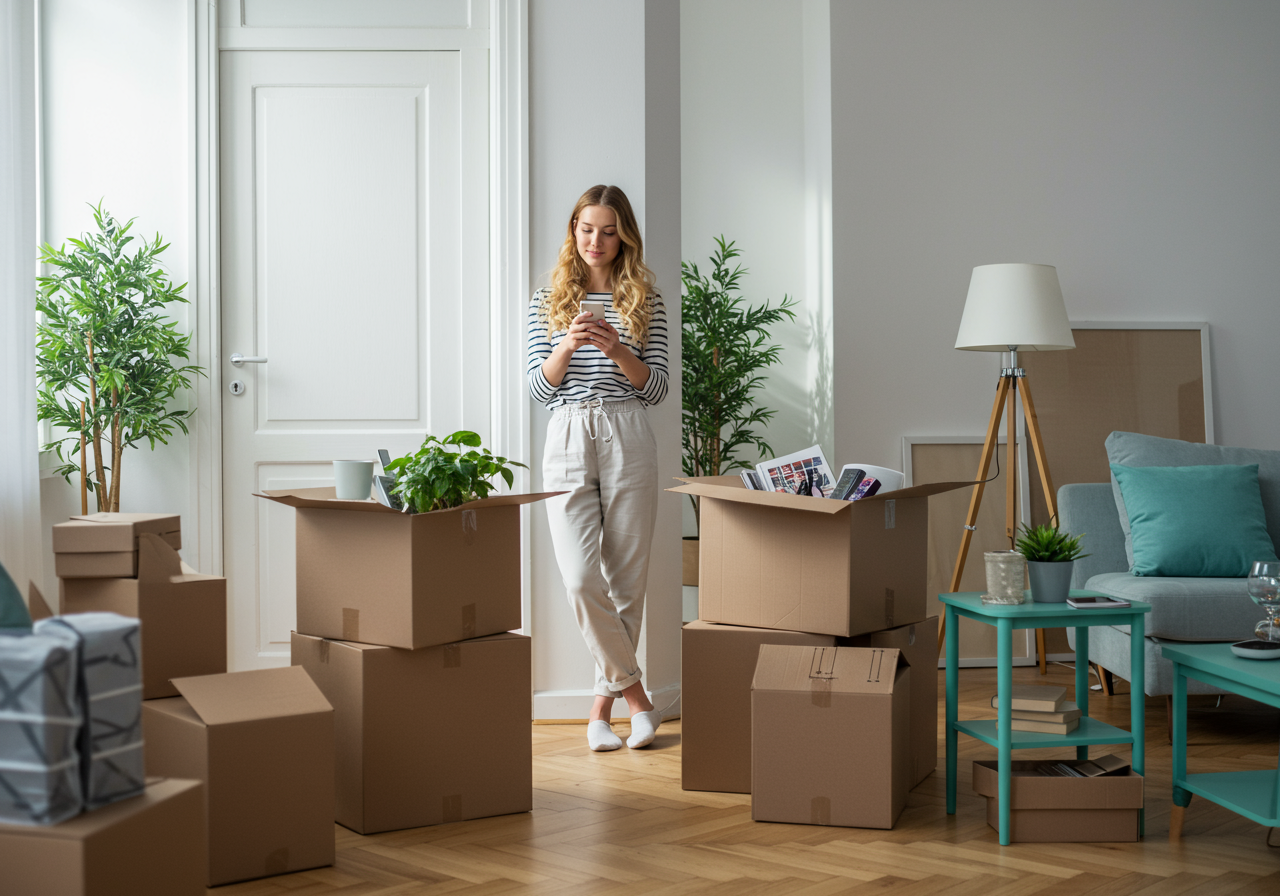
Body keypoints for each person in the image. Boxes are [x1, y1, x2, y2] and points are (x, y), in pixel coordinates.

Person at [527, 185, 669, 752]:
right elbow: (539, 388)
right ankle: (640, 703)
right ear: (574, 230)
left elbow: (655, 388)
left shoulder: (645, 298)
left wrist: (615, 350)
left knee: (626, 583)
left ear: (624, 235)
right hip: (566, 433)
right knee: (582, 579)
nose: (596, 241)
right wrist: (567, 344)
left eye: (608, 231)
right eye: (587, 229)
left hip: (628, 430)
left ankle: (599, 712)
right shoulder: (549, 297)